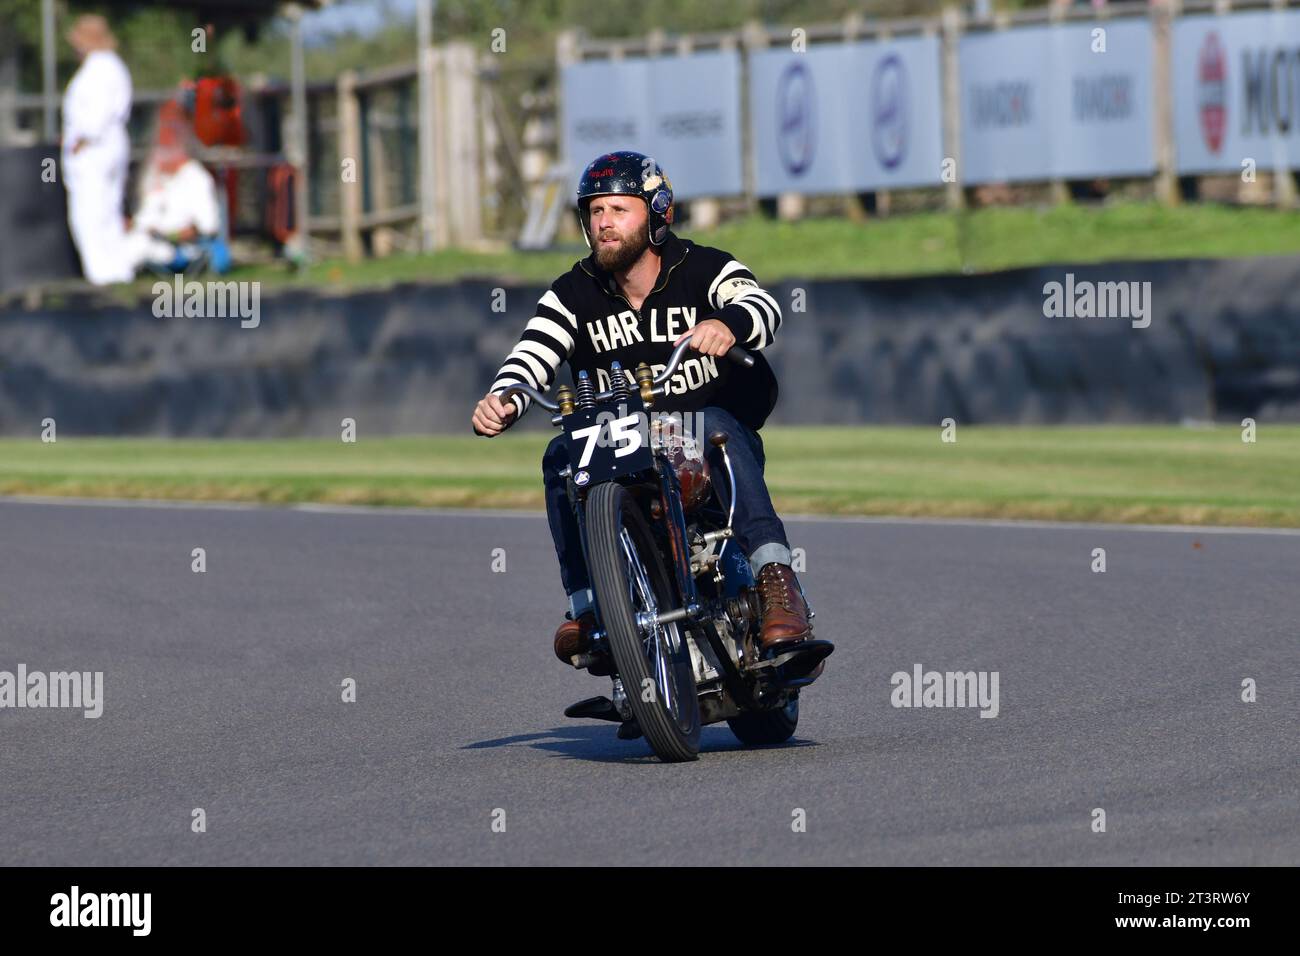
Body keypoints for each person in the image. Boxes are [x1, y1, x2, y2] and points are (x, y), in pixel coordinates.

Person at [471, 150, 811, 673]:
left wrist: (728, 325)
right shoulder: (573, 291)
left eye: (618, 210)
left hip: (707, 439)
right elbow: (532, 352)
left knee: (716, 426)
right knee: (559, 455)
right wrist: (506, 395)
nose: (604, 223)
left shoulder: (704, 266)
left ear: (656, 214)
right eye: (595, 211)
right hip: (619, 446)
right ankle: (587, 609)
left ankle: (776, 585)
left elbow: (763, 308)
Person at [61, 15, 134, 285]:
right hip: (111, 143)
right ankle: (117, 271)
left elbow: (95, 116)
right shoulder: (114, 66)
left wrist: (82, 140)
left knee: (90, 213)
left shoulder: (97, 70)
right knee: (109, 210)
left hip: (95, 147)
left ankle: (101, 275)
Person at [124, 115, 224, 274]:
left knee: (135, 248)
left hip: (179, 247)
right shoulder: (155, 175)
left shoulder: (196, 178)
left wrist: (175, 235)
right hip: (149, 237)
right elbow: (146, 214)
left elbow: (207, 226)